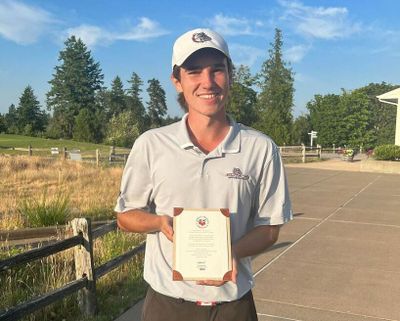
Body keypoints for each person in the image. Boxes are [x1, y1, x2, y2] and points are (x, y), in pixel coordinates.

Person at [115, 28, 293, 321]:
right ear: (177, 81)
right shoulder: (151, 144)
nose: (207, 82)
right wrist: (160, 222)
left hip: (233, 305)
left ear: (231, 75)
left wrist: (231, 253)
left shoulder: (260, 148)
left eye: (217, 70)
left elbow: (270, 228)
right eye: (194, 71)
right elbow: (125, 216)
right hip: (167, 306)